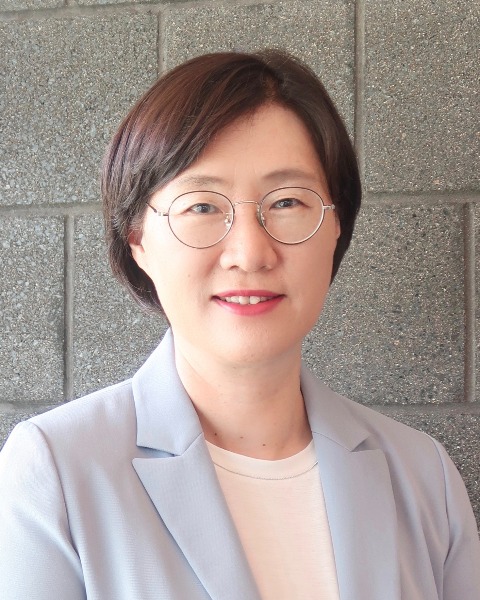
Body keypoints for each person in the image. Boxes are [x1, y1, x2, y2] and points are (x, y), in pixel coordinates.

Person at [0, 50, 478, 600]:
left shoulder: (424, 477)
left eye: (288, 202)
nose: (250, 253)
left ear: (336, 229)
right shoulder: (56, 472)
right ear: (137, 239)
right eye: (202, 206)